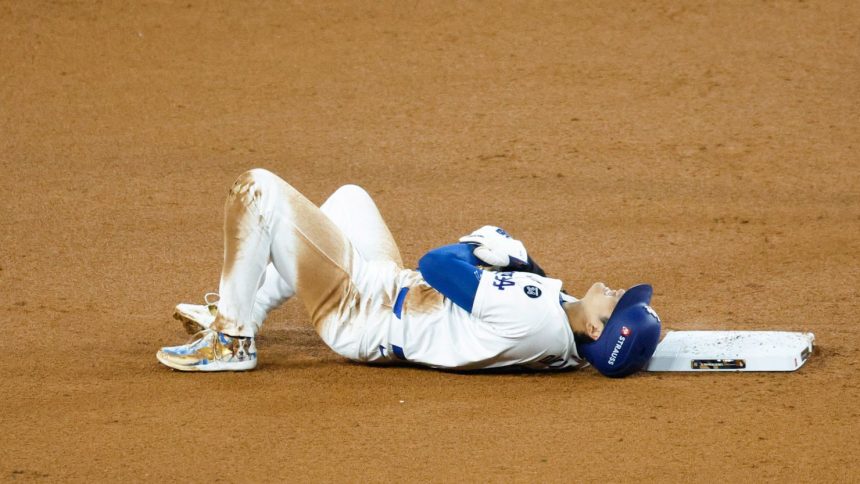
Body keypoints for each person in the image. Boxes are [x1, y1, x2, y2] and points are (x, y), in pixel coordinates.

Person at [157, 169, 661, 377]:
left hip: (359, 310)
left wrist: (477, 247)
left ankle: (231, 339)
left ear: (597, 329)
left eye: (618, 303)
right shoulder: (564, 337)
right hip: (389, 291)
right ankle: (244, 306)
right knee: (349, 199)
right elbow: (528, 290)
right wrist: (519, 260)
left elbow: (438, 266)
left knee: (257, 188)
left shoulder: (532, 316)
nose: (616, 292)